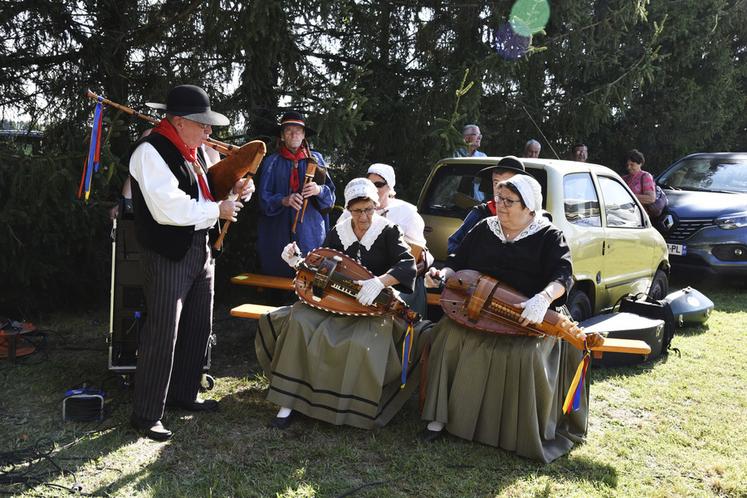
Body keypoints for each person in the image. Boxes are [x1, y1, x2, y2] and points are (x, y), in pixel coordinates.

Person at [421, 174, 588, 463]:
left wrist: (544, 298)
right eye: (499, 199)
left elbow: (563, 276)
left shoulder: (549, 236)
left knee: (526, 356)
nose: (501, 205)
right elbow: (457, 264)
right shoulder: (486, 228)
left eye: (509, 201)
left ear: (529, 208)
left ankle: (518, 434)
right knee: (448, 336)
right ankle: (440, 418)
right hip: (480, 310)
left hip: (528, 316)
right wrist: (442, 276)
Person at [255, 178, 433, 430]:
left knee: (360, 341)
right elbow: (322, 268)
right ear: (348, 209)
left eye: (369, 209)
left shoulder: (388, 230)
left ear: (376, 207)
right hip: (337, 304)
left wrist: (380, 282)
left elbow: (407, 266)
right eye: (357, 210)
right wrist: (297, 262)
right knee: (299, 320)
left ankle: (350, 408)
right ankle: (289, 401)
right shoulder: (339, 232)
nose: (363, 217)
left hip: (373, 308)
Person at [129, 85, 254, 441]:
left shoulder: (194, 151)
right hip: (168, 254)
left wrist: (236, 192)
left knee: (198, 327)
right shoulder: (150, 151)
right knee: (163, 332)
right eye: (203, 124)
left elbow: (206, 193)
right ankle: (147, 414)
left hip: (201, 250)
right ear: (179, 121)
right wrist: (219, 209)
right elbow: (169, 208)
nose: (209, 131)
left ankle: (185, 394)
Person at [338, 163, 433, 317]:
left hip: (396, 279)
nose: (374, 189)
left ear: (390, 188)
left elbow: (416, 254)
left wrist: (383, 281)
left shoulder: (406, 212)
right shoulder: (349, 212)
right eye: (370, 184)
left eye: (379, 184)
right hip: (358, 276)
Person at [257, 111, 335, 277]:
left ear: (304, 134)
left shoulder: (316, 160)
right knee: (279, 277)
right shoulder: (272, 162)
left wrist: (318, 190)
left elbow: (331, 199)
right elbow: (263, 200)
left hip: (310, 231)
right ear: (282, 135)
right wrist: (284, 200)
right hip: (278, 232)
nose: (293, 134)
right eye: (288, 130)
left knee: (311, 278)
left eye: (298, 130)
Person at [447, 156, 528, 255]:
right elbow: (453, 244)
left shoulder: (531, 221)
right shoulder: (479, 214)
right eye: (496, 183)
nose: (500, 189)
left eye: (509, 184)